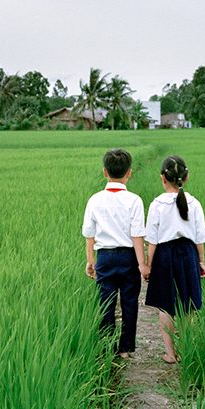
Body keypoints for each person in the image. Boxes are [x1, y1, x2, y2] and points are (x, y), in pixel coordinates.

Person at [82, 148, 149, 358]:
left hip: (104, 257)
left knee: (106, 303)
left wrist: (90, 262)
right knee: (130, 302)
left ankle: (107, 347)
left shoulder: (94, 199)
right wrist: (142, 265)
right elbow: (137, 235)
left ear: (104, 172)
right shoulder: (134, 200)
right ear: (129, 173)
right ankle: (126, 349)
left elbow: (89, 235)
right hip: (128, 257)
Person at [144, 155, 205, 364]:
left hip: (164, 255)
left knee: (166, 306)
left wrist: (148, 265)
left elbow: (152, 240)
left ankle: (171, 354)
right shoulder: (194, 203)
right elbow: (199, 238)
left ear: (163, 178)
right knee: (188, 305)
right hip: (188, 254)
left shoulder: (157, 204)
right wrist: (201, 261)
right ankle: (188, 349)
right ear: (186, 177)